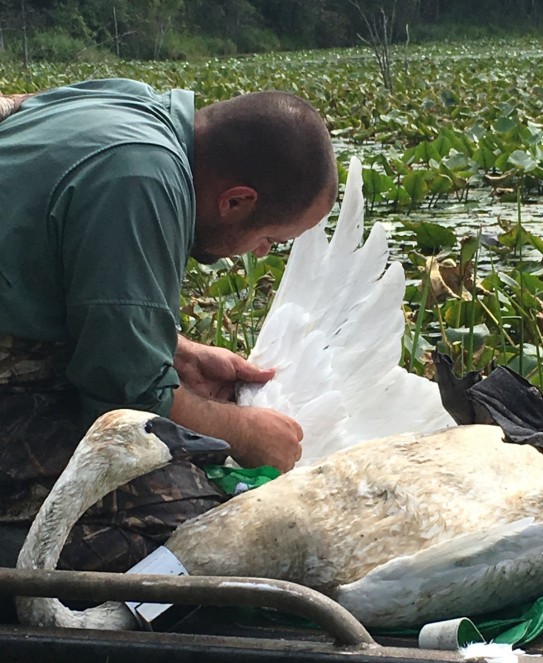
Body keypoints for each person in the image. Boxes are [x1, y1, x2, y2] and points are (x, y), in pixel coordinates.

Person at [0, 79, 338, 574]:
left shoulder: (131, 103)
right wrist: (246, 433)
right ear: (237, 201)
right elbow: (125, 401)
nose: (263, 252)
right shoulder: (142, 181)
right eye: (269, 238)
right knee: (196, 528)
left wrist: (172, 349)